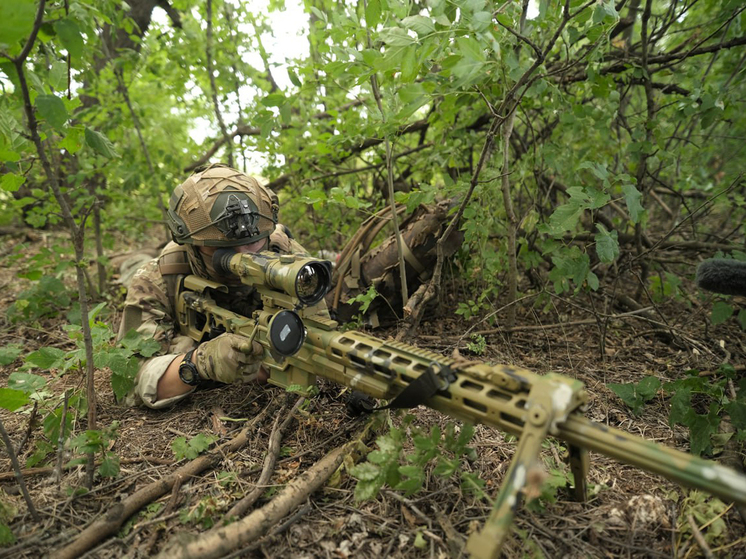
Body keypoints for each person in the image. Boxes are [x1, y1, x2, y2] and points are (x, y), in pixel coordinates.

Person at [118, 164, 309, 409]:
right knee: (130, 265)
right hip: (156, 271)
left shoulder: (285, 255)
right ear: (192, 246)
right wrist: (200, 363)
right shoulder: (156, 279)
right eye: (224, 248)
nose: (245, 256)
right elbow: (128, 379)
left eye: (254, 242)